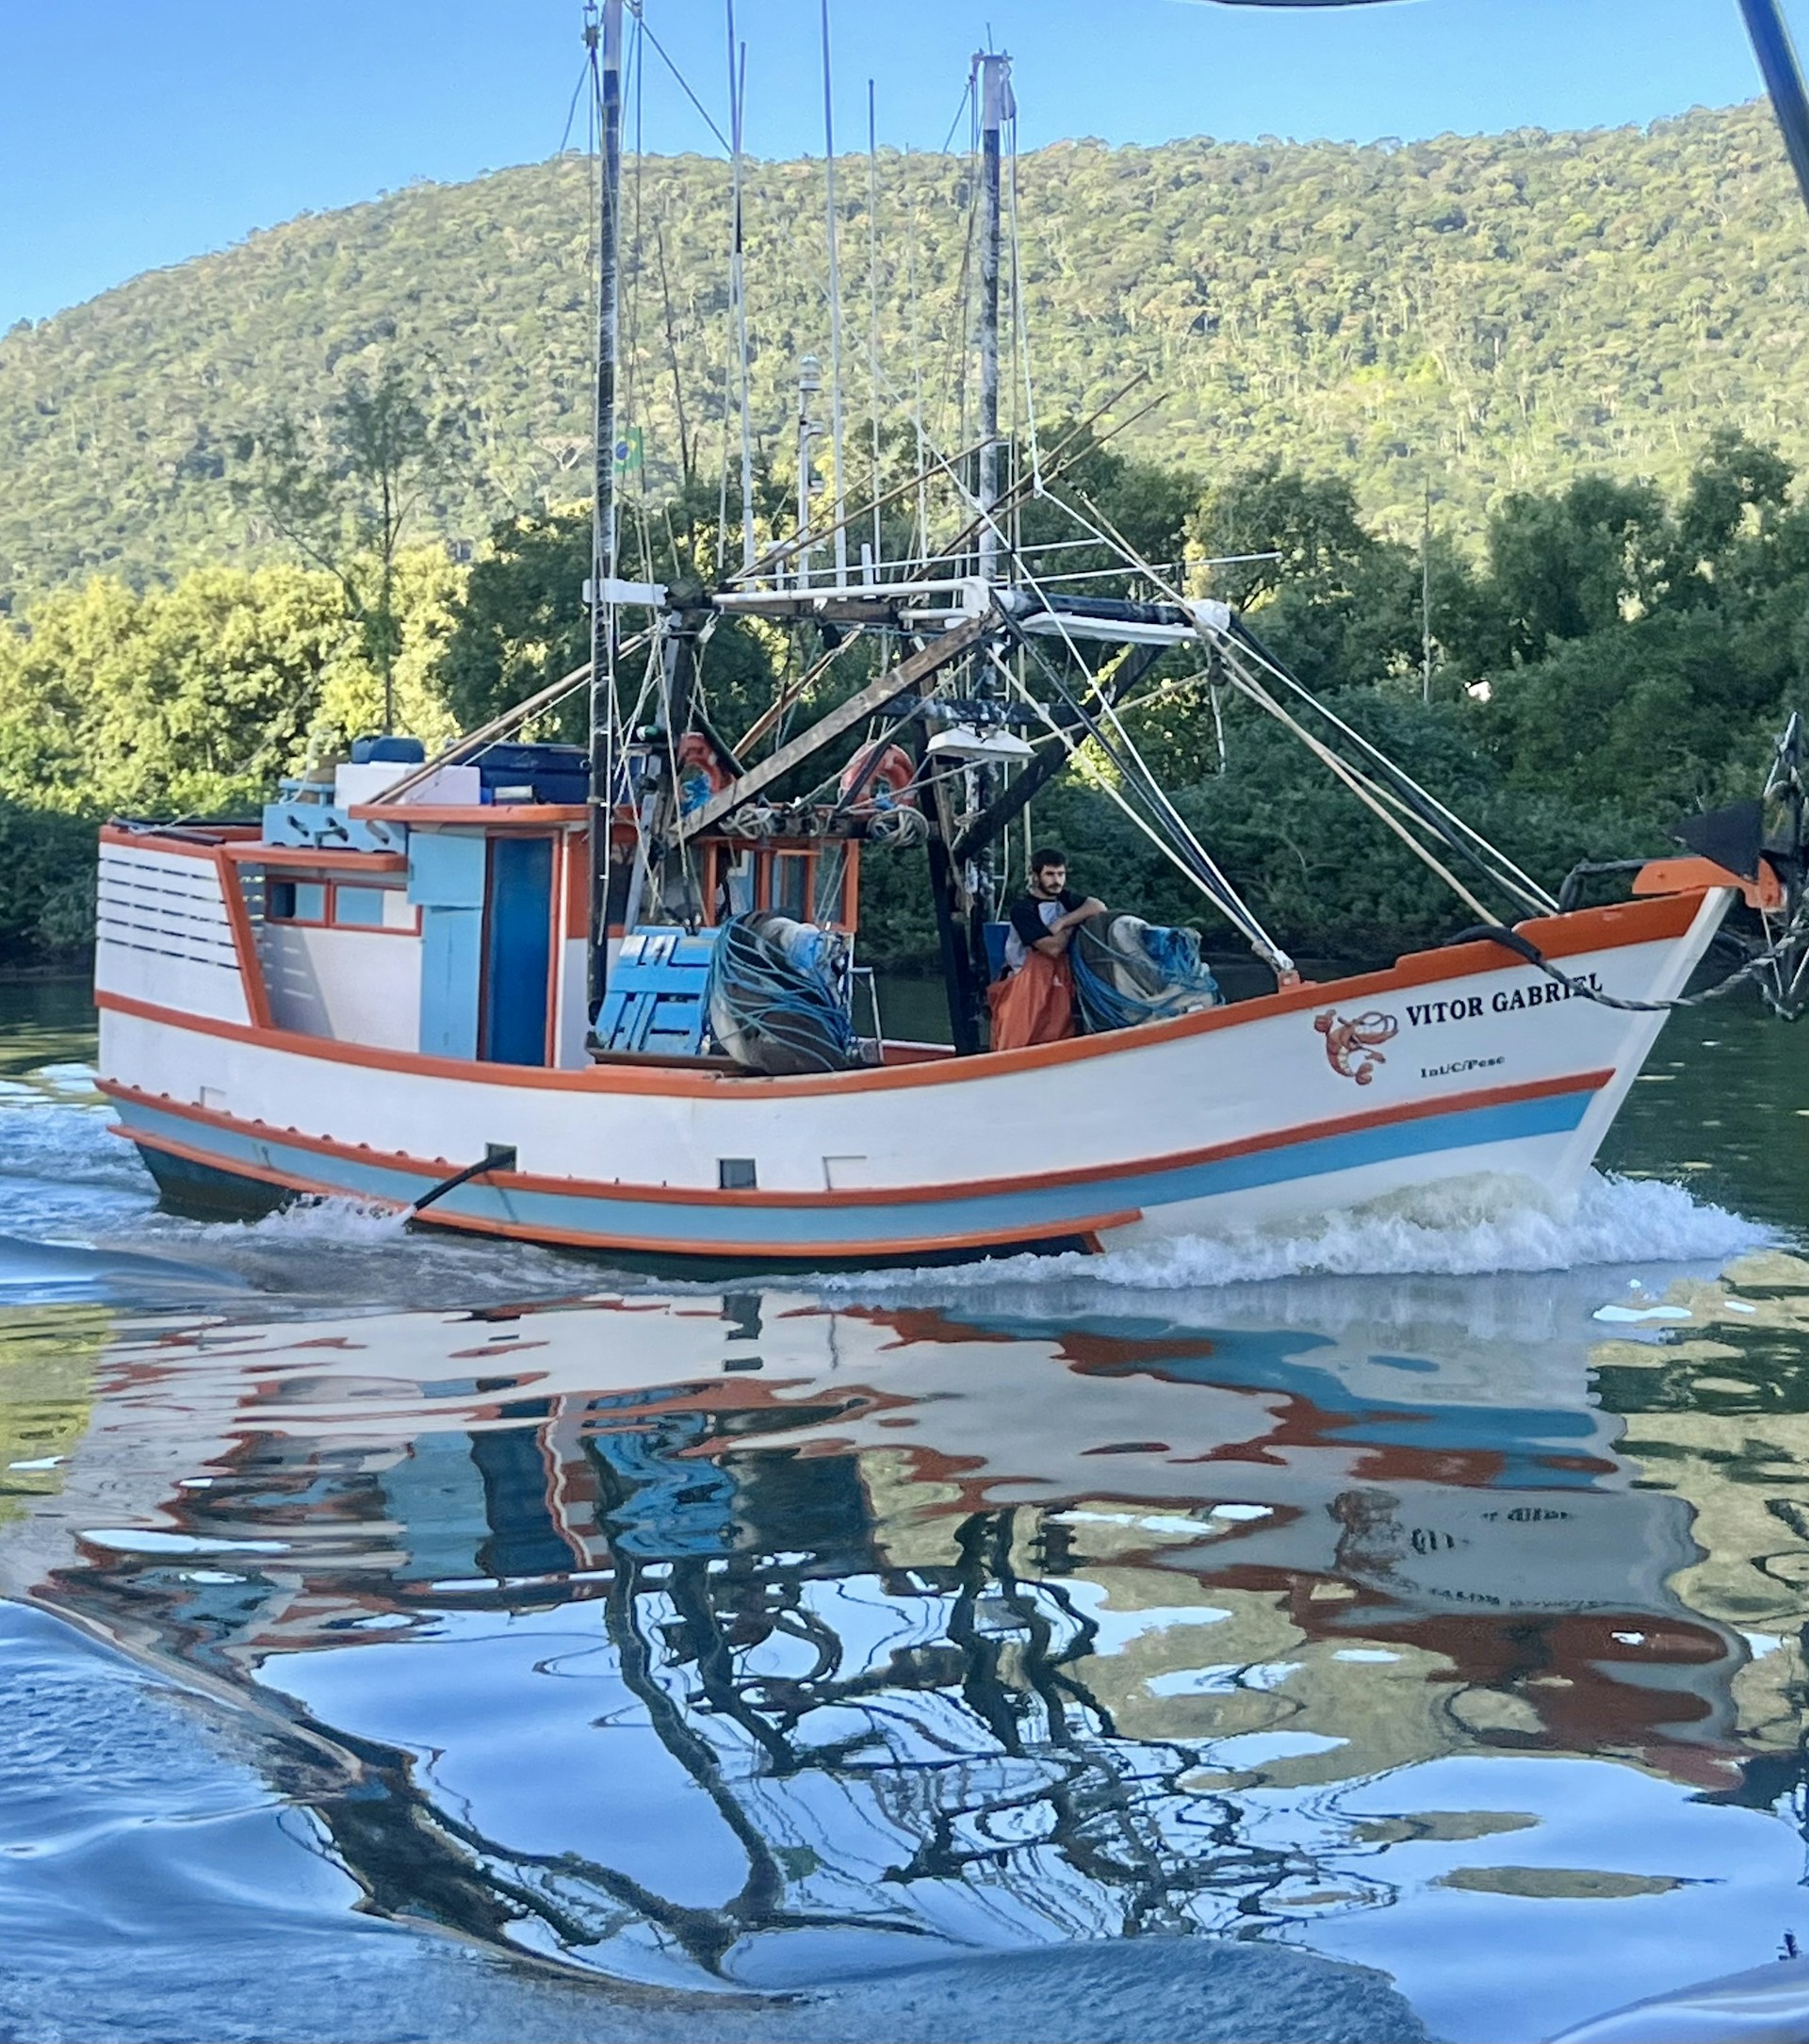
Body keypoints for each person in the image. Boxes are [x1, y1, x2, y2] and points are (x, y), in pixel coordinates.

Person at [987, 846, 1106, 1052]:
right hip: (1024, 985)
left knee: (1059, 1036)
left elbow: (1098, 906)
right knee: (1017, 1043)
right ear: (1036, 876)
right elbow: (1052, 948)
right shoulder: (1023, 910)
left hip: (1059, 982)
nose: (1057, 881)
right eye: (1050, 874)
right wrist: (1073, 926)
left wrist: (1062, 922)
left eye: (1061, 874)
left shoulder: (1065, 900)